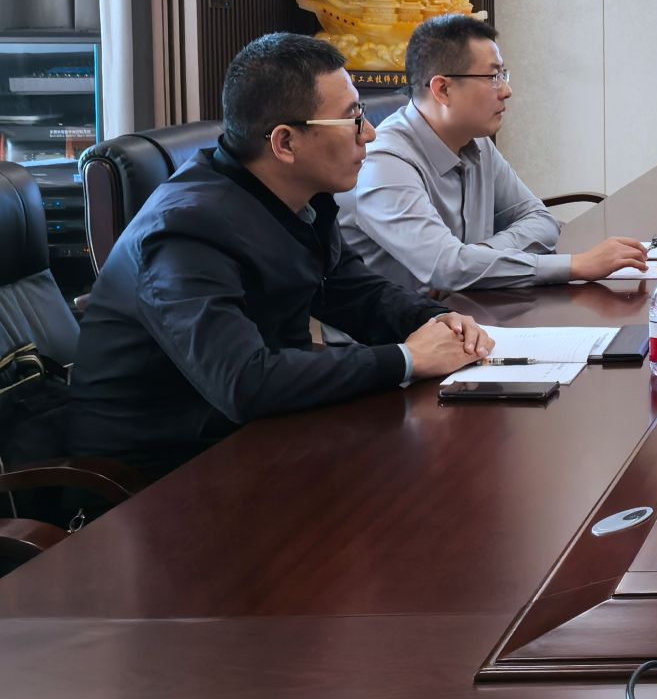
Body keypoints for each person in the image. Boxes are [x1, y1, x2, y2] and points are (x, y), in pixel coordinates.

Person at [68, 34, 495, 477]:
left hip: (262, 435)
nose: (369, 133)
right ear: (285, 143)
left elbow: (352, 291)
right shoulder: (184, 231)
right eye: (352, 118)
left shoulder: (298, 199)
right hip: (161, 477)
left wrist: (435, 320)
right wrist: (407, 358)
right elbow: (243, 381)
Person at [338, 16, 645, 292]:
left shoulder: (477, 143)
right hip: (396, 333)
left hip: (468, 312)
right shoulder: (382, 163)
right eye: (493, 77)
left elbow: (540, 220)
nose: (506, 91)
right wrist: (574, 266)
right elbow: (446, 268)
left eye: (503, 75)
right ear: (443, 90)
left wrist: (477, 257)